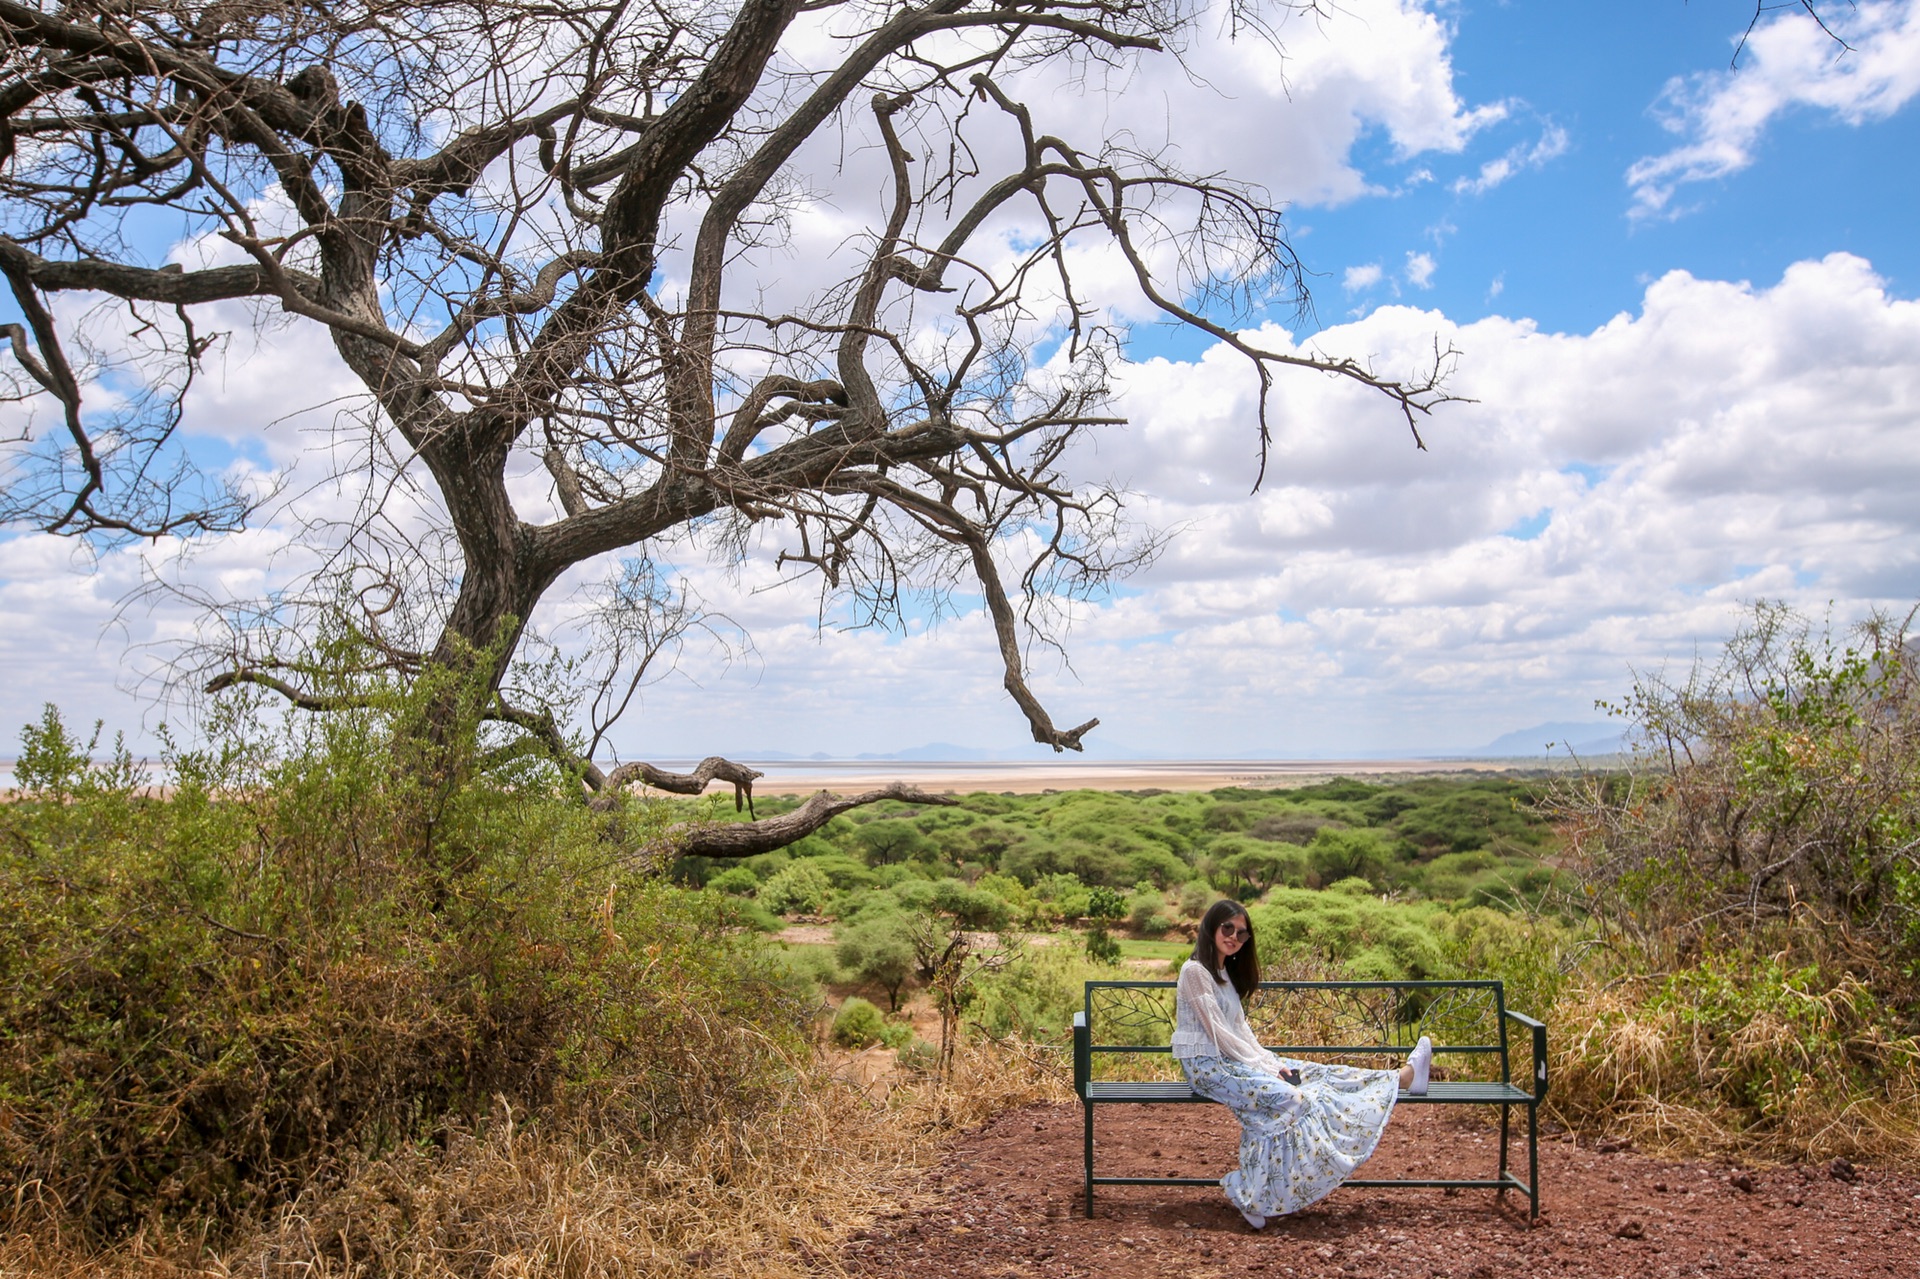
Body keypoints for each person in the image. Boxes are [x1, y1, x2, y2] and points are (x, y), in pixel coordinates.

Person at [1172, 899, 1432, 1230]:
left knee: (1312, 1074)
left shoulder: (1224, 973)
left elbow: (1241, 1032)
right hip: (1208, 1068)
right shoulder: (1195, 971)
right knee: (1291, 1098)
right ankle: (1250, 1194)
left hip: (1231, 1060)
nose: (1234, 936)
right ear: (1210, 927)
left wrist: (1269, 1061)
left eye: (1242, 932)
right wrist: (1266, 1068)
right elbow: (1219, 1033)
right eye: (1227, 928)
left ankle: (1402, 1078)